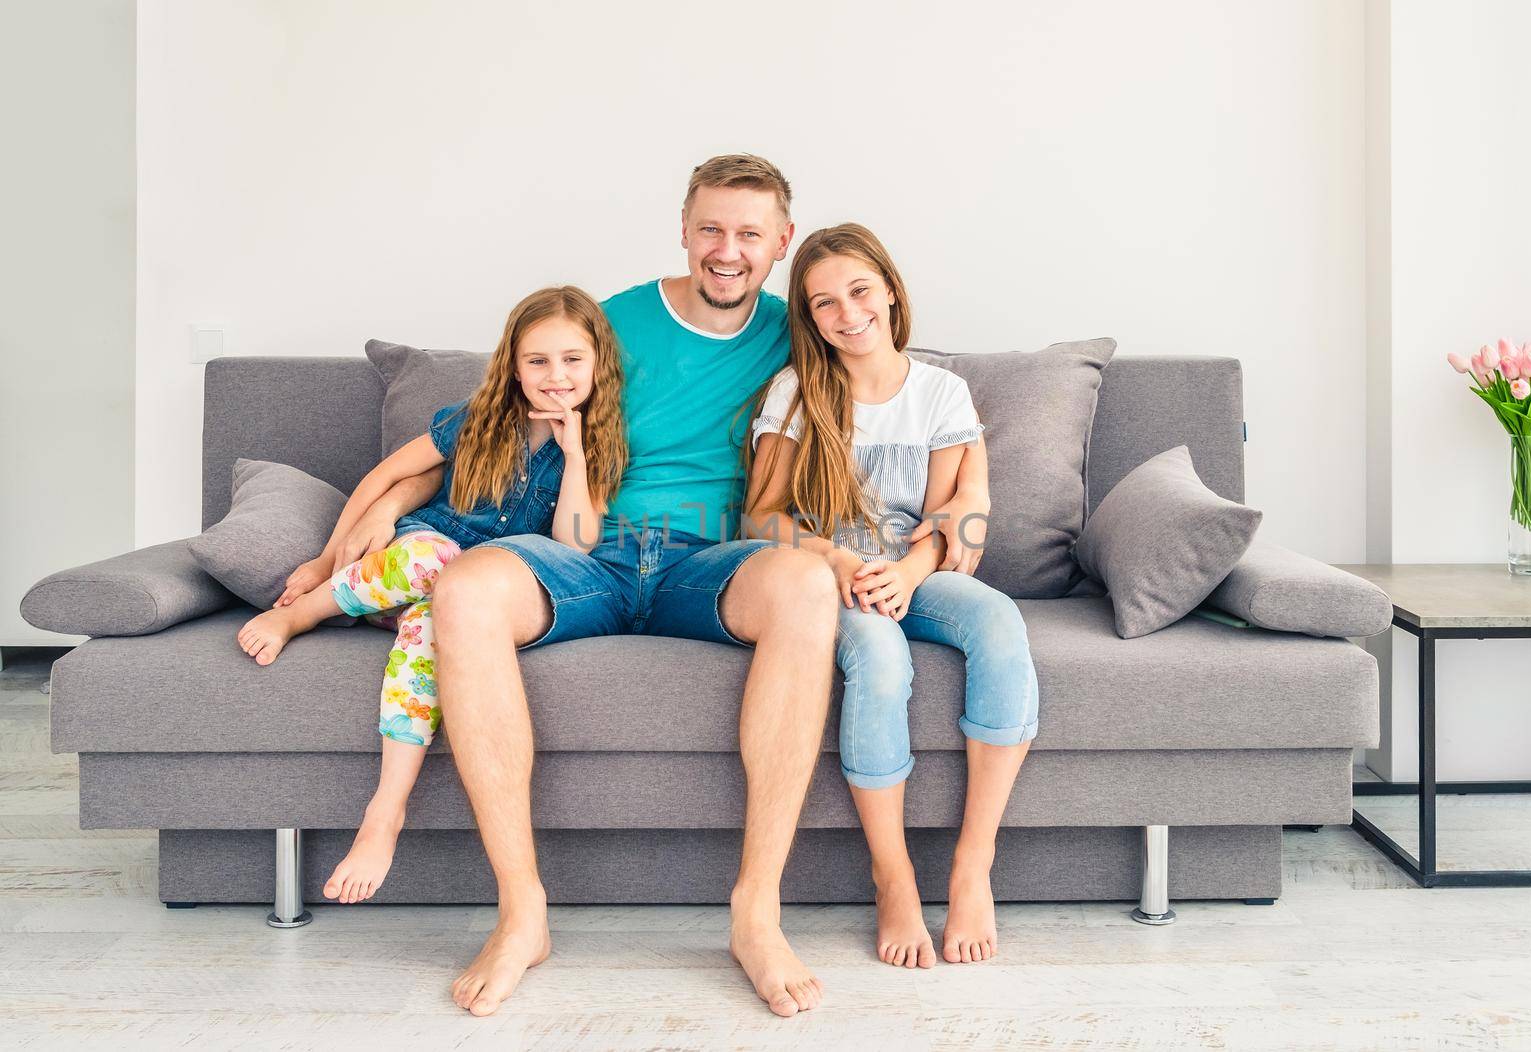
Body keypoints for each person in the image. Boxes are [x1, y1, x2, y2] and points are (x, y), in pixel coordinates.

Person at [355, 155, 992, 1019]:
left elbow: (900, 406)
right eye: (711, 230)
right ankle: (522, 913)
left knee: (806, 582)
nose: (728, 251)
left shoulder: (799, 333)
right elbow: (491, 420)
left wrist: (935, 536)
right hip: (589, 554)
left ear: (781, 245)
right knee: (465, 590)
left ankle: (755, 914)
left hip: (711, 564)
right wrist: (354, 534)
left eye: (750, 235)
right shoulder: (610, 321)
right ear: (684, 229)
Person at [236, 285, 626, 904]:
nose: (556, 376)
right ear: (514, 367)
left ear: (599, 362)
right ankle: (302, 617)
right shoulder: (478, 419)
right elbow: (387, 474)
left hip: (469, 591)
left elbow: (574, 545)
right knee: (433, 557)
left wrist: (575, 455)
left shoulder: (602, 442)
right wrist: (320, 559)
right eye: (538, 361)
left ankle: (385, 812)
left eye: (573, 360)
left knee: (433, 632)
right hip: (419, 553)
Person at [745, 222, 1037, 970]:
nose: (846, 313)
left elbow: (948, 520)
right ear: (808, 318)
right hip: (827, 576)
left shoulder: (941, 392)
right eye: (822, 303)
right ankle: (895, 876)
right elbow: (761, 516)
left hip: (916, 571)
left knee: (1000, 622)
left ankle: (973, 865)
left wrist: (907, 573)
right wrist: (841, 562)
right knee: (876, 656)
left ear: (890, 290)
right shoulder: (796, 392)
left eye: (859, 291)